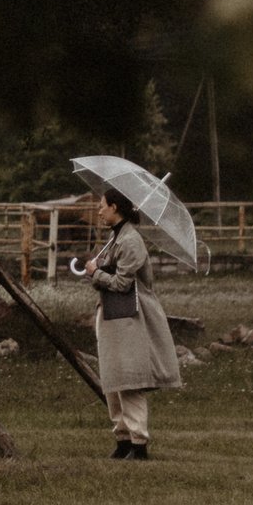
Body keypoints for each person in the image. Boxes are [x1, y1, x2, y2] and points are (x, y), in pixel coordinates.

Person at [77, 189, 181, 460]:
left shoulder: (131, 241)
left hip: (130, 316)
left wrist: (96, 273)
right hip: (112, 314)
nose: (99, 212)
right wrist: (98, 267)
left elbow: (123, 284)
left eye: (102, 207)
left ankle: (139, 443)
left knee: (129, 379)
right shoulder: (115, 239)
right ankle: (122, 438)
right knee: (112, 379)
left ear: (115, 208)